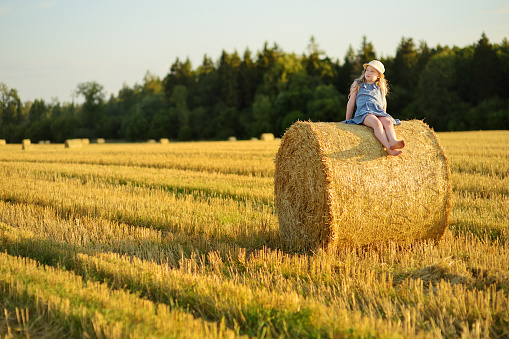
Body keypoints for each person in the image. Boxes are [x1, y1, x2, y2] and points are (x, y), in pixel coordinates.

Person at [343, 60, 405, 156]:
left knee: (388, 122)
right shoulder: (358, 84)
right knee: (376, 123)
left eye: (372, 71)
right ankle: (388, 149)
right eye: (367, 70)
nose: (368, 73)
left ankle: (393, 141)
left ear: (379, 75)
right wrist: (347, 120)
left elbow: (383, 102)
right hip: (364, 112)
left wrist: (384, 115)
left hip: (378, 111)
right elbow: (351, 102)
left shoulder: (380, 86)